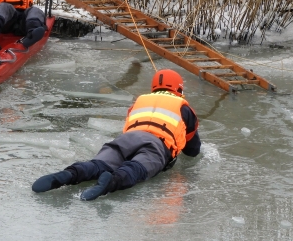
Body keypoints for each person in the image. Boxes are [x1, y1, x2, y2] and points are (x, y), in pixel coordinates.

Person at [32, 69, 200, 201]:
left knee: (97, 164)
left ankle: (69, 174)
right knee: (135, 169)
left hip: (126, 140)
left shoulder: (140, 101)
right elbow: (192, 151)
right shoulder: (184, 108)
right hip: (155, 145)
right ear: (179, 88)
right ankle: (110, 183)